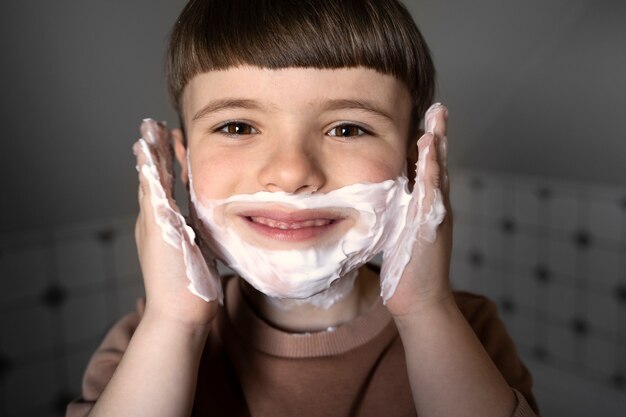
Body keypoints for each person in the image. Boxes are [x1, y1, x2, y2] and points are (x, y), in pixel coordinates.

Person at [67, 0, 539, 416]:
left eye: (347, 129)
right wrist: (174, 324)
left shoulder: (466, 331)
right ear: (179, 165)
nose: (292, 173)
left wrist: (425, 312)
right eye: (237, 127)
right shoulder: (148, 342)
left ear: (414, 165)